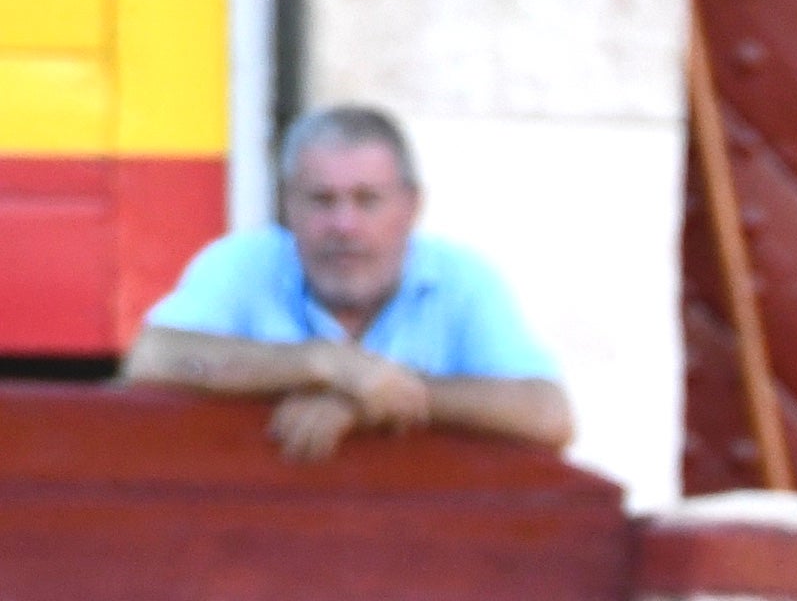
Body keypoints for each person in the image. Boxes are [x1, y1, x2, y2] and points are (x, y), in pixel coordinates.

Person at [122, 106, 574, 463]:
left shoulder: (461, 278)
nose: (344, 225)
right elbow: (151, 358)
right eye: (321, 200)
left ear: (411, 207)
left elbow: (549, 414)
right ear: (287, 208)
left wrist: (373, 399)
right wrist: (322, 364)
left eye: (368, 200)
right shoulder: (242, 263)